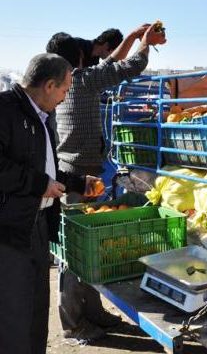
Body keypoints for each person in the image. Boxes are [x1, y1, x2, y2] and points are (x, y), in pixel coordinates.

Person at [46, 22, 166, 341]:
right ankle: (73, 324)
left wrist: (131, 37)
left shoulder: (67, 82)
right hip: (79, 178)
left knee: (87, 252)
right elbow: (130, 66)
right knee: (73, 257)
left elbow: (108, 64)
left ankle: (94, 314)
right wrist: (145, 43)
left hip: (78, 173)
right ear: (80, 60)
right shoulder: (83, 82)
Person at [0, 53, 102, 354]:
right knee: (13, 316)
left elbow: (44, 169)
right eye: (65, 89)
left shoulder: (40, 116)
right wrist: (37, 185)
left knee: (35, 311)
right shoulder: (5, 110)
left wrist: (77, 182)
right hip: (9, 231)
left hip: (36, 227)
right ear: (48, 85)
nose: (65, 96)